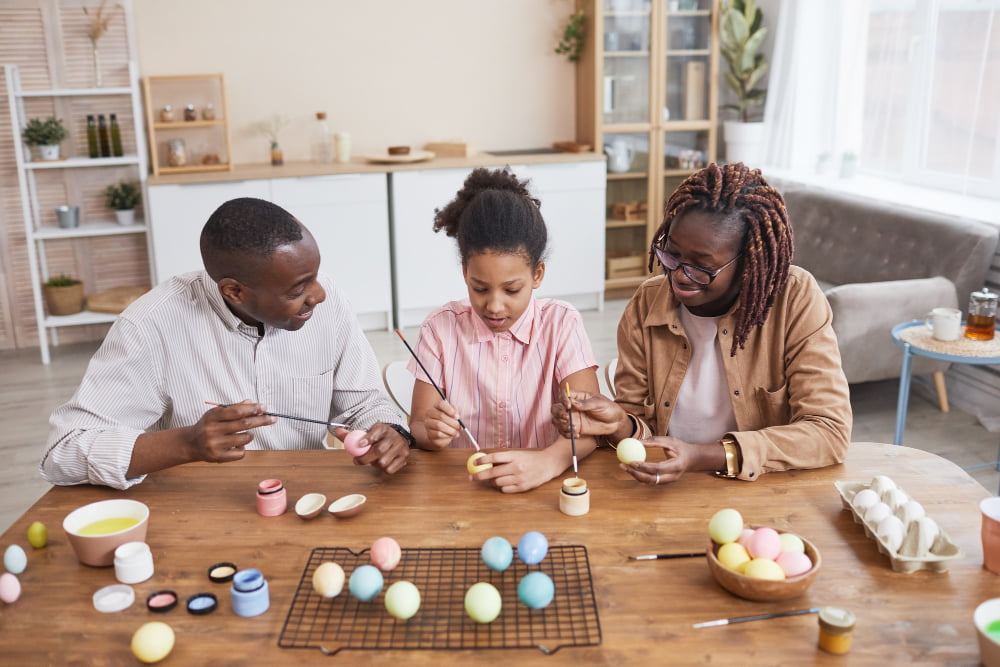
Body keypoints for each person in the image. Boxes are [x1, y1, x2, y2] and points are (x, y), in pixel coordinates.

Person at [41, 197, 412, 489]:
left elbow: (364, 401)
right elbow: (63, 453)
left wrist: (389, 432)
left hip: (307, 497)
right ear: (234, 291)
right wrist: (186, 444)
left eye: (314, 277)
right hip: (200, 507)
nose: (319, 294)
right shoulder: (150, 326)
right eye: (299, 289)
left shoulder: (324, 301)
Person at [553, 162, 852, 485]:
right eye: (672, 254)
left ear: (749, 265)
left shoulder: (794, 299)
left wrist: (702, 456)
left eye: (702, 267)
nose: (679, 276)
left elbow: (828, 430)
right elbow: (640, 426)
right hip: (668, 487)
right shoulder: (647, 303)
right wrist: (618, 424)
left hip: (764, 488)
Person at [407, 167, 600, 493]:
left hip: (543, 484)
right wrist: (432, 431)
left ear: (537, 274)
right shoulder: (440, 329)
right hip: (462, 491)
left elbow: (591, 428)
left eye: (511, 290)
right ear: (465, 272)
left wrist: (549, 462)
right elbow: (419, 426)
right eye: (480, 288)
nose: (494, 306)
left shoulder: (561, 323)